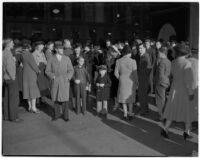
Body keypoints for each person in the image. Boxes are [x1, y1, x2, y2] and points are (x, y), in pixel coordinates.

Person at [160, 43, 197, 140]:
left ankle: (165, 128)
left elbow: (172, 75)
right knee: (187, 112)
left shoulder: (174, 62)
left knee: (172, 110)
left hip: (174, 90)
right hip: (184, 91)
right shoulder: (187, 63)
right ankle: (186, 132)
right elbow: (189, 81)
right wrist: (191, 92)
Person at [45, 41, 74, 122]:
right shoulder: (51, 58)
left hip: (64, 81)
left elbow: (71, 70)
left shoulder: (66, 58)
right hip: (55, 82)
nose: (62, 50)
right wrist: (52, 76)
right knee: (56, 100)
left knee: (65, 100)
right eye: (60, 49)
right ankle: (56, 115)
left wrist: (68, 78)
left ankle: (66, 116)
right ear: (56, 49)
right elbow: (47, 71)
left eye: (62, 49)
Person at [115, 45, 138, 120]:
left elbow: (115, 73)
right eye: (130, 53)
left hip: (122, 82)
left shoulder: (118, 61)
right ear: (128, 53)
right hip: (131, 82)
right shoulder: (133, 61)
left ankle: (125, 114)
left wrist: (120, 78)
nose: (131, 54)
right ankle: (130, 113)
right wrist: (137, 82)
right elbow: (135, 74)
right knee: (130, 99)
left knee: (124, 99)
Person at [3, 38, 23, 122]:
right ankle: (14, 117)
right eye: (12, 43)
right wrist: (13, 76)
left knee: (7, 98)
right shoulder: (8, 53)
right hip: (11, 78)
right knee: (14, 99)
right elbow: (9, 67)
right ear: (8, 44)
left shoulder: (4, 52)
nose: (13, 45)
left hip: (6, 78)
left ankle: (7, 116)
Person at [21, 42, 41, 113]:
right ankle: (33, 108)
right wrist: (38, 70)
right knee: (33, 91)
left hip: (25, 73)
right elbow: (33, 64)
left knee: (27, 90)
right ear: (28, 47)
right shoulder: (29, 54)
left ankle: (29, 107)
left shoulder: (22, 54)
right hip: (31, 74)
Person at [154, 47, 171, 121]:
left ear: (161, 53)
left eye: (158, 53)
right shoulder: (169, 61)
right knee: (163, 99)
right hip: (166, 82)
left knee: (160, 101)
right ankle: (164, 115)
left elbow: (160, 75)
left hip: (160, 83)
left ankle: (161, 116)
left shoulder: (162, 62)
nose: (158, 54)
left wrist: (157, 83)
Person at [138, 43, 151, 116]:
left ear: (145, 48)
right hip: (144, 78)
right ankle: (145, 109)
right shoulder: (143, 56)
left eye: (141, 48)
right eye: (139, 48)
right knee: (143, 95)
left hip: (143, 78)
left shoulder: (145, 57)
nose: (140, 49)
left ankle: (143, 110)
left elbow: (148, 69)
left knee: (142, 95)